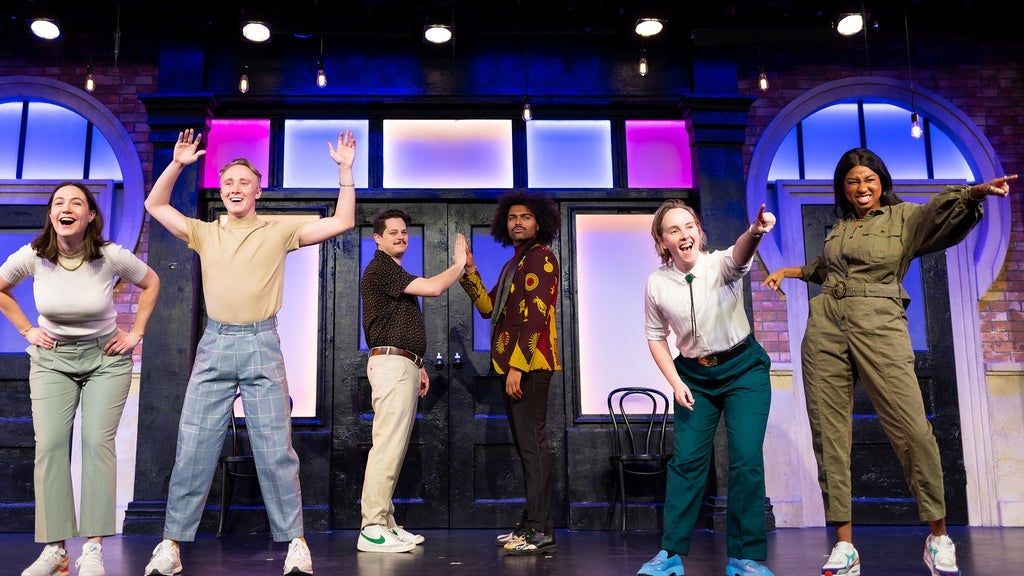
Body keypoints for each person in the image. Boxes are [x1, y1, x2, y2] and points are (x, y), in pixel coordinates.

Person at [762, 147, 1017, 576]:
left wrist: (975, 192)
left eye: (869, 180)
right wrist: (791, 271)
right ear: (843, 189)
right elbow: (829, 269)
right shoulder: (840, 227)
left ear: (881, 183)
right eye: (852, 182)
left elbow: (940, 213)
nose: (861, 188)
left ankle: (938, 535)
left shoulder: (904, 218)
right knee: (828, 434)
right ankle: (845, 546)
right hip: (826, 326)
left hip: (879, 322)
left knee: (912, 428)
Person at [141, 128, 357, 576]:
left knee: (275, 449)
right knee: (194, 447)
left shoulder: (278, 231)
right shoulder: (204, 232)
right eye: (228, 182)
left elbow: (342, 222)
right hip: (215, 344)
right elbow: (155, 206)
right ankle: (171, 544)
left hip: (261, 342)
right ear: (222, 191)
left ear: (258, 191)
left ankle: (296, 542)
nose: (235, 187)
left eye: (244, 182)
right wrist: (177, 163)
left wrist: (345, 172)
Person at [0, 182, 160, 576]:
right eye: (59, 202)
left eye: (76, 203)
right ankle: (55, 551)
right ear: (51, 214)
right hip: (52, 359)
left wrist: (136, 333)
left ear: (90, 215)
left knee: (95, 445)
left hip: (105, 358)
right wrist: (26, 330)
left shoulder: (110, 256)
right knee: (51, 446)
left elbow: (152, 282)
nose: (66, 208)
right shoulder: (34, 256)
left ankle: (92, 548)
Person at [636, 200, 777, 576]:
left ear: (699, 232)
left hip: (743, 369)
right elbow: (655, 336)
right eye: (674, 230)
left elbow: (740, 255)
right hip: (694, 376)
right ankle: (670, 555)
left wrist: (755, 232)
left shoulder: (719, 265)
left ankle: (744, 557)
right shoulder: (657, 283)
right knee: (686, 464)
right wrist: (676, 382)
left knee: (745, 459)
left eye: (689, 226)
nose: (684, 235)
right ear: (663, 241)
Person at [357, 209, 467, 553]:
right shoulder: (381, 268)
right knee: (387, 446)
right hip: (390, 367)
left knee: (393, 446)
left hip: (401, 364)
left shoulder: (393, 271)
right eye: (393, 232)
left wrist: (417, 364)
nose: (400, 236)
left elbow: (398, 323)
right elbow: (434, 287)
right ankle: (372, 526)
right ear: (378, 238)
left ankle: (386, 522)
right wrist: (459, 265)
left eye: (403, 231)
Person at [458, 191, 561, 556]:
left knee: (533, 446)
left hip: (530, 365)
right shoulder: (515, 262)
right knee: (527, 447)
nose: (518, 222)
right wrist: (469, 270)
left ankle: (539, 529)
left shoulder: (541, 257)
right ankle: (534, 523)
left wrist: (518, 364)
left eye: (526, 217)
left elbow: (536, 314)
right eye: (513, 217)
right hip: (515, 365)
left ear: (539, 223)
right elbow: (489, 307)